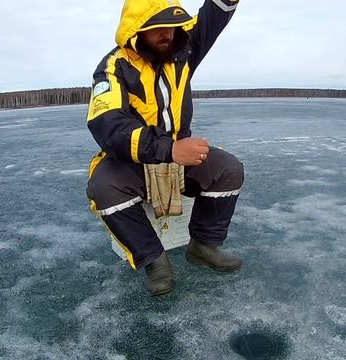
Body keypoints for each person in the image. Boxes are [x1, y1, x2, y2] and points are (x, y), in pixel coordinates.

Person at [86, 0, 244, 296]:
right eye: (156, 28)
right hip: (131, 161)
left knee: (229, 169)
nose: (167, 34)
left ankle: (203, 245)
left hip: (179, 153)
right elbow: (109, 127)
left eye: (171, 26)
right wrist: (168, 150)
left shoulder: (183, 50)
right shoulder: (113, 68)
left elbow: (214, 14)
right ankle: (155, 261)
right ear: (136, 31)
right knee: (104, 189)